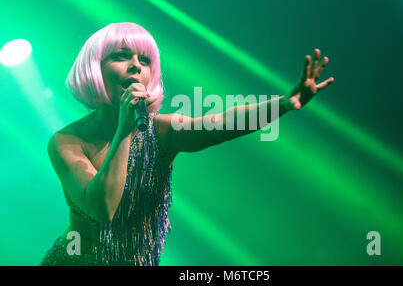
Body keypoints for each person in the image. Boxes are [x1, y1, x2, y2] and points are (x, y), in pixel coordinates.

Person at [40, 22, 334, 266]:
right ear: (94, 66)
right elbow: (102, 208)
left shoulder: (162, 131)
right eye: (121, 56)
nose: (135, 66)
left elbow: (220, 124)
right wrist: (124, 130)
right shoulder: (67, 142)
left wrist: (282, 104)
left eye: (145, 61)